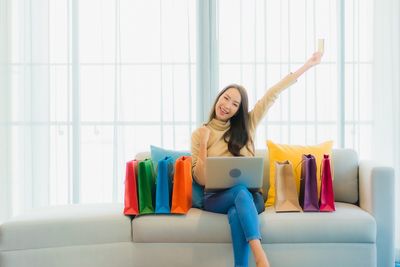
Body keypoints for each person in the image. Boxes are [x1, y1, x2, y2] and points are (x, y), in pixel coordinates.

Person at [191, 51, 323, 267]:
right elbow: (202, 179)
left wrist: (307, 65)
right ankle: (261, 259)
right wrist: (204, 143)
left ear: (238, 110)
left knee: (238, 209)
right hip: (215, 198)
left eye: (235, 104)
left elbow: (272, 94)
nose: (227, 105)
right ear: (218, 98)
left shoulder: (248, 124)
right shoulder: (199, 134)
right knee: (239, 192)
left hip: (252, 198)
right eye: (226, 98)